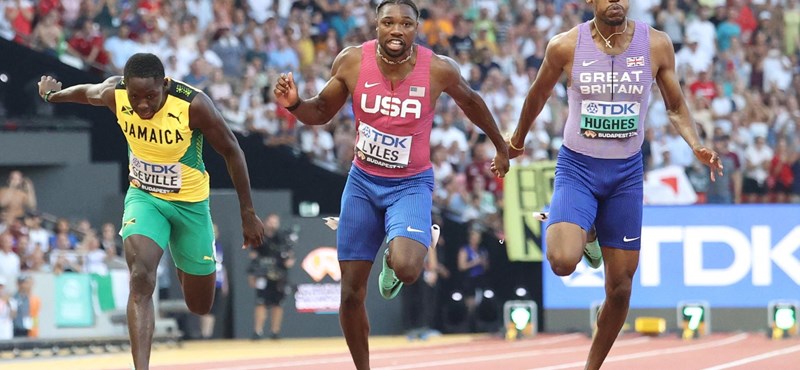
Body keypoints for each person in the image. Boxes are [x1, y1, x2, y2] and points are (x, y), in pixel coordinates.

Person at [273, 0, 509, 367]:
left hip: (410, 185)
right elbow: (319, 112)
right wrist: (293, 104)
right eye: (388, 23)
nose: (396, 30)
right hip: (363, 183)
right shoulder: (352, 61)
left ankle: (394, 256)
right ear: (376, 26)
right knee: (350, 294)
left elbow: (472, 102)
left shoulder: (438, 69)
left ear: (417, 28)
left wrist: (500, 145)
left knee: (408, 269)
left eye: (405, 24)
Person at [505, 1, 723, 369]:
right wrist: (516, 141)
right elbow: (538, 95)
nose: (616, 2)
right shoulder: (564, 45)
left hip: (624, 174)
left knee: (620, 288)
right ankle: (587, 230)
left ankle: (591, 366)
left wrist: (695, 143)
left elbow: (675, 105)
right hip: (578, 168)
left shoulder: (655, 44)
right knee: (561, 261)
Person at [37, 53, 264, 370]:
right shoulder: (114, 93)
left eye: (151, 97)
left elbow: (232, 151)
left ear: (165, 85)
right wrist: (53, 94)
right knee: (141, 276)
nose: (142, 106)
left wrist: (247, 213)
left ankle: (185, 254)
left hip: (191, 205)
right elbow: (86, 92)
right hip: (144, 198)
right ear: (125, 88)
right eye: (135, 97)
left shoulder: (193, 105)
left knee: (200, 304)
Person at [247, 214, 295, 340]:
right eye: (270, 221)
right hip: (263, 274)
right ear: (265, 222)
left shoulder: (283, 238)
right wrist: (252, 275)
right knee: (260, 302)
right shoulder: (259, 238)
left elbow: (289, 256)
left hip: (279, 275)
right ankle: (258, 331)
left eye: (275, 222)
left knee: (278, 303)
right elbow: (253, 257)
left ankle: (275, 331)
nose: (273, 224)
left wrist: (289, 260)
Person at [200, 224, 228, 339]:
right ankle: (204, 333)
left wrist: (225, 283)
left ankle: (208, 334)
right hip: (206, 280)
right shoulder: (203, 246)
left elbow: (221, 265)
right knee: (205, 308)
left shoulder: (218, 246)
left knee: (213, 308)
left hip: (217, 281)